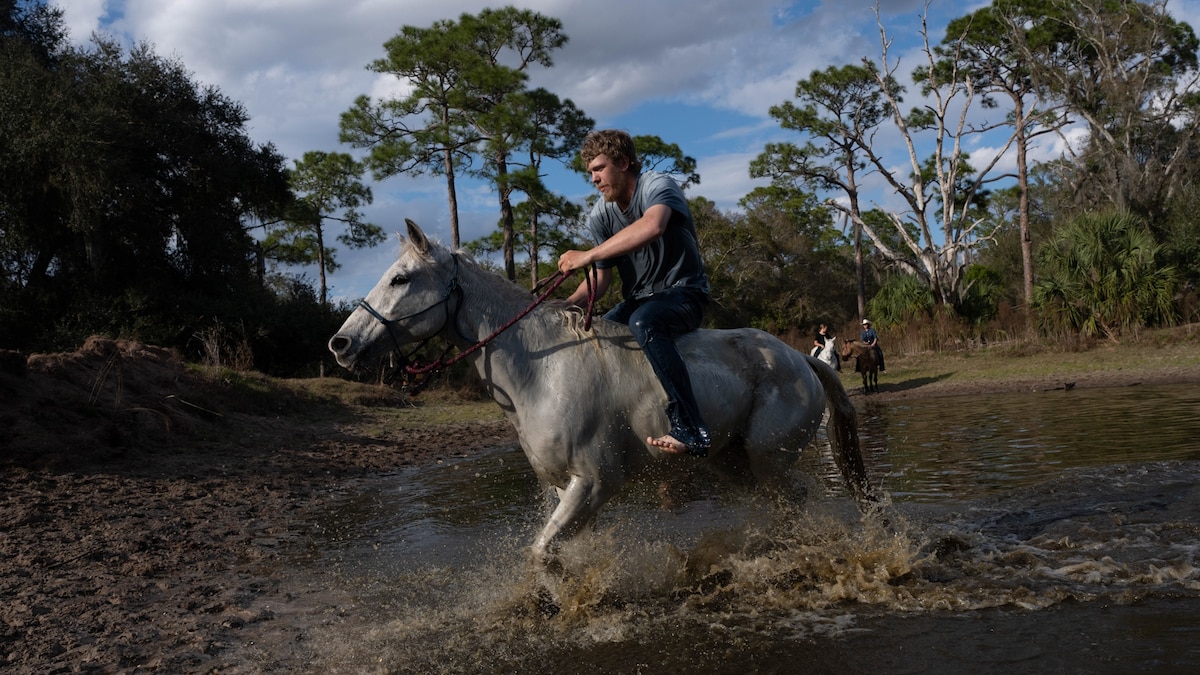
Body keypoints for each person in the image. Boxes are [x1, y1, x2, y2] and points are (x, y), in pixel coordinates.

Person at [557, 130, 711, 457]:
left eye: (599, 169)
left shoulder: (658, 185)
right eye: (590, 173)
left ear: (624, 163)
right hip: (640, 300)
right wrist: (566, 305)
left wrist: (587, 254)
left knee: (644, 322)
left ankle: (691, 428)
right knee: (595, 335)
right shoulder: (601, 215)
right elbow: (602, 279)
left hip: (684, 294)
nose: (594, 179)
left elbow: (653, 225)